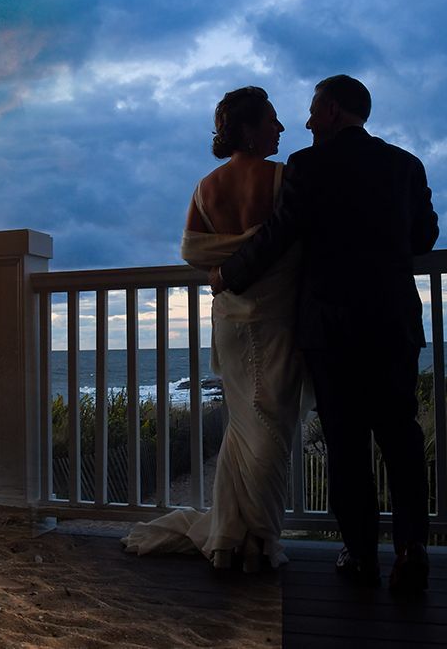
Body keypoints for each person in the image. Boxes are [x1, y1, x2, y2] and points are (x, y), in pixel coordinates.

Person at [212, 75, 438, 592]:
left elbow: (279, 234)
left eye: (315, 112)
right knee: (402, 439)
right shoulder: (406, 165)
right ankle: (411, 549)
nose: (308, 122)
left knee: (347, 444)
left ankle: (360, 556)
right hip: (392, 322)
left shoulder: (308, 167)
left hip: (331, 327)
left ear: (334, 111)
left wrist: (229, 276)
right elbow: (424, 236)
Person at [121, 86, 305, 572]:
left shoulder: (206, 188)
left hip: (229, 318)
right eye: (272, 119)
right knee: (270, 430)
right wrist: (259, 248)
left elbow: (194, 252)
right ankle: (259, 540)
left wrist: (231, 258)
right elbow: (287, 242)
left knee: (245, 428)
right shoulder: (285, 180)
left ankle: (231, 540)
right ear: (248, 129)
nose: (280, 128)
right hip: (277, 321)